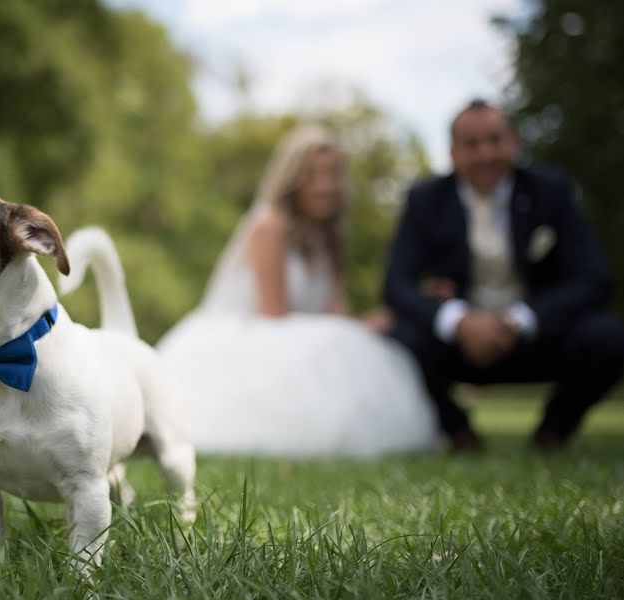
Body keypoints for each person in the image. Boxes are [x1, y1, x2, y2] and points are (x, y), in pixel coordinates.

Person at [157, 124, 439, 457]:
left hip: (298, 334)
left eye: (333, 174)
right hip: (255, 338)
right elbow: (273, 316)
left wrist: (393, 314)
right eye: (313, 175)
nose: (326, 186)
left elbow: (337, 317)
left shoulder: (328, 238)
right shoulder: (269, 226)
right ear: (292, 180)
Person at [384, 99, 624, 452]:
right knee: (402, 339)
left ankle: (553, 431)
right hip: (459, 345)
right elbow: (396, 285)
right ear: (453, 153)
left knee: (607, 337)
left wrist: (518, 320)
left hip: (537, 336)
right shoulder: (425, 200)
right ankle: (458, 433)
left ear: (515, 143)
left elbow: (594, 279)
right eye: (471, 145)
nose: (485, 154)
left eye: (495, 140)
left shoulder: (552, 191)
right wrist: (458, 321)